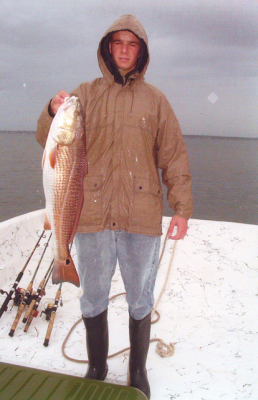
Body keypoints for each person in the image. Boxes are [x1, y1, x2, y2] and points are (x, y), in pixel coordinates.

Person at [36, 14, 193, 399]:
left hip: (141, 215)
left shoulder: (156, 100)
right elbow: (47, 138)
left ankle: (137, 370)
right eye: (117, 43)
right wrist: (52, 110)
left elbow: (173, 156)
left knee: (141, 295)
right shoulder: (85, 95)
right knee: (92, 294)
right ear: (108, 48)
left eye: (132, 44)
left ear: (141, 52)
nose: (124, 50)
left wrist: (182, 209)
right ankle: (96, 365)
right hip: (89, 213)